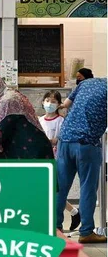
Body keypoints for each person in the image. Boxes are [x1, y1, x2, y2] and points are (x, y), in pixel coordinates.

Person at [55, 77, 107, 243]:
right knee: (87, 188)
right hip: (87, 144)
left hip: (64, 140)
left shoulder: (86, 83)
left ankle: (54, 228)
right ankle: (86, 231)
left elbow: (65, 105)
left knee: (60, 187)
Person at [0, 76, 53, 161]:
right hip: (30, 149)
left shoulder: (7, 101)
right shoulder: (10, 95)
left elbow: (0, 132)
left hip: (32, 152)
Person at [39, 91, 81, 232]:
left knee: (56, 191)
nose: (49, 104)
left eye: (53, 101)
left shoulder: (62, 121)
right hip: (42, 159)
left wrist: (53, 141)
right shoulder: (39, 120)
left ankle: (59, 220)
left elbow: (62, 137)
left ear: (58, 104)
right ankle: (74, 212)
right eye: (47, 100)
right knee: (48, 191)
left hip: (57, 159)